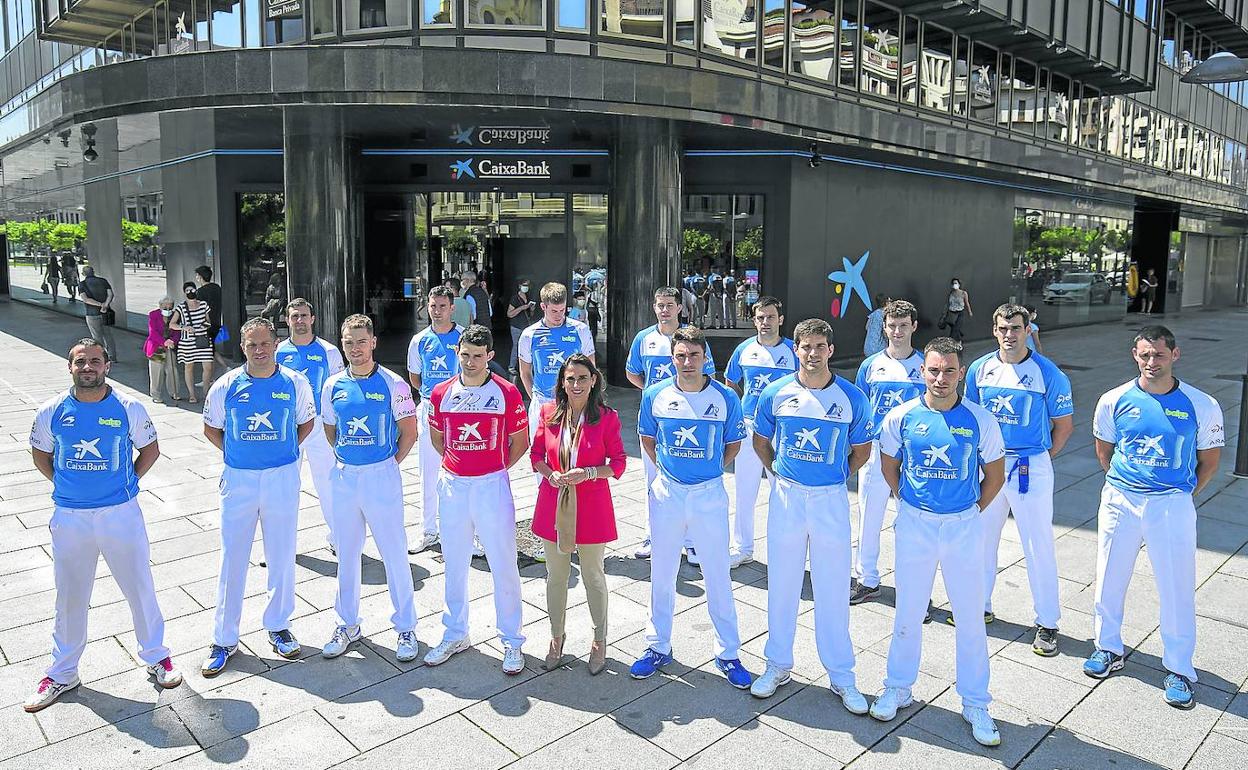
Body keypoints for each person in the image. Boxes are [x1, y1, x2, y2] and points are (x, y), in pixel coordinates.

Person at [24, 339, 183, 712]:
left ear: (107, 366)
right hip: (70, 517)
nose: (88, 367)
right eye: (80, 361)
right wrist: (68, 487)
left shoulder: (129, 407)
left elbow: (150, 450)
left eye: (95, 361)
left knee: (139, 587)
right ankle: (63, 672)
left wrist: (125, 485)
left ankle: (157, 656)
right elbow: (40, 454)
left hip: (120, 514)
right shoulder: (51, 411)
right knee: (70, 596)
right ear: (70, 367)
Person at [871, 337, 1006, 748]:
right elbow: (890, 466)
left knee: (969, 616)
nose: (940, 378)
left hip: (963, 526)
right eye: (933, 370)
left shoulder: (981, 420)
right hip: (916, 525)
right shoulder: (901, 417)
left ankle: (976, 702)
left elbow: (995, 476)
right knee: (908, 611)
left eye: (949, 370)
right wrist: (910, 503)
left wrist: (969, 511)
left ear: (961, 372)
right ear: (922, 372)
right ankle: (898, 687)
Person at [1085, 326, 1223, 709]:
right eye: (1144, 355)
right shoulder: (1113, 400)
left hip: (1171, 504)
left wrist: (1180, 495)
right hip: (1121, 499)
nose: (1151, 362)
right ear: (1135, 355)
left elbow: (1209, 462)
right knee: (1109, 576)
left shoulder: (1202, 404)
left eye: (1159, 355)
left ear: (1175, 355)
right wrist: (1129, 488)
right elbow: (1105, 452)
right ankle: (1107, 648)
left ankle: (1179, 668)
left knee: (1177, 586)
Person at [749, 319, 873, 712]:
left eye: (820, 346)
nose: (813, 353)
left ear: (830, 350)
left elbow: (862, 452)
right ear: (796, 350)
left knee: (833, 586)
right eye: (806, 346)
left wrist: (830, 476)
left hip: (830, 499)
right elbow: (761, 442)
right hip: (787, 497)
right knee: (782, 582)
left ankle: (841, 674)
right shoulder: (776, 393)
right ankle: (777, 665)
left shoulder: (852, 397)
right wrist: (781, 472)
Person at [630, 326, 754, 690]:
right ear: (672, 358)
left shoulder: (725, 397)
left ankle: (728, 653)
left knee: (717, 574)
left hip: (709, 495)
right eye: (681, 356)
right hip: (668, 494)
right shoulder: (654, 394)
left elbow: (733, 445)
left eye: (694, 356)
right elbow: (648, 439)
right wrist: (671, 472)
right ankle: (658, 646)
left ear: (705, 358)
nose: (687, 362)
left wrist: (708, 470)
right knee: (662, 573)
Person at [200, 317, 316, 677]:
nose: (259, 350)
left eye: (265, 343)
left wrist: (281, 453)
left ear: (276, 344)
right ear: (243, 347)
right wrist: (241, 454)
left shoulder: (295, 383)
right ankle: (224, 639)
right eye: (252, 345)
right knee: (232, 557)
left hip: (282, 477)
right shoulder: (225, 385)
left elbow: (306, 423)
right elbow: (211, 428)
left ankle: (279, 625)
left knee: (281, 553)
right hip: (239, 480)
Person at [964, 304, 1074, 655]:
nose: (1009, 335)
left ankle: (1048, 622)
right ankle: (979, 607)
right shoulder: (980, 369)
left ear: (1028, 330)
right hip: (989, 466)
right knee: (981, 539)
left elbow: (1064, 426)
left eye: (1015, 328)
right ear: (994, 330)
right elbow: (971, 418)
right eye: (1003, 328)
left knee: (1037, 544)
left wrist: (1038, 458)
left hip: (1030, 466)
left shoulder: (1048, 373)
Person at [422, 324, 529, 675]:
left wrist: (490, 469)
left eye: (478, 356)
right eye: (465, 354)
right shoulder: (440, 392)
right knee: (454, 562)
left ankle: (511, 639)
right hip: (453, 485)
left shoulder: (507, 392)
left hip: (491, 485)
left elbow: (520, 442)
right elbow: (438, 439)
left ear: (490, 356)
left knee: (503, 562)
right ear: (457, 352)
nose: (470, 362)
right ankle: (456, 633)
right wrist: (461, 466)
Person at [319, 314, 420, 663]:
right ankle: (347, 624)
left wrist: (388, 465)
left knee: (394, 553)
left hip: (381, 476)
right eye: (349, 342)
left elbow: (410, 432)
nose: (355, 348)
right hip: (345, 477)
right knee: (347, 555)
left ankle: (405, 627)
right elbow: (331, 430)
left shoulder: (394, 384)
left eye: (361, 341)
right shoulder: (332, 385)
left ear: (373, 342)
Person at [530, 354, 626, 675]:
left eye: (582, 378)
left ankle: (599, 639)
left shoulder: (607, 418)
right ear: (562, 382)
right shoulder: (548, 413)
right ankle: (557, 636)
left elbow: (618, 463)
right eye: (570, 378)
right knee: (556, 576)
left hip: (592, 506)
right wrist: (549, 474)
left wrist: (589, 473)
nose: (576, 384)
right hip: (554, 502)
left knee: (592, 575)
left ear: (593, 380)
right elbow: (536, 455)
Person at [625, 287, 716, 560]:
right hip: (655, 419)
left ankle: (691, 540)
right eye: (660, 305)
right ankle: (653, 535)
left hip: (689, 418)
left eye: (669, 305)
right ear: (654, 307)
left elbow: (709, 375)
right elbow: (632, 373)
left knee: (688, 480)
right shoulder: (644, 338)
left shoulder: (693, 337)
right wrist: (653, 394)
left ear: (679, 308)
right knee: (653, 479)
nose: (664, 310)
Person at [851, 300, 925, 605]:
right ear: (884, 327)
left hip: (912, 453)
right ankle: (867, 579)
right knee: (869, 515)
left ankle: (913, 589)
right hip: (876, 450)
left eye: (903, 325)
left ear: (913, 326)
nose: (897, 331)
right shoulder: (870, 366)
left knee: (911, 520)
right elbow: (860, 407)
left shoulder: (925, 365)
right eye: (892, 325)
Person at [723, 296, 796, 567]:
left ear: (781, 319)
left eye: (771, 317)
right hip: (750, 428)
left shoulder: (793, 351)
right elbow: (731, 384)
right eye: (761, 318)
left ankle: (784, 550)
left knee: (783, 491)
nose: (766, 322)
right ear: (754, 320)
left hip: (782, 430)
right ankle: (742, 547)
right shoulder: (743, 350)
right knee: (745, 489)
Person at [406, 286, 479, 556]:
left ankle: (469, 533)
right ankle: (428, 530)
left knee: (466, 472)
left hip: (461, 410)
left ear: (452, 308)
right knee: (428, 473)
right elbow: (415, 378)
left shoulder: (463, 337)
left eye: (442, 306)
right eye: (433, 306)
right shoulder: (419, 340)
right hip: (430, 410)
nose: (437, 311)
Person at [275, 299, 346, 554]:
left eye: (304, 315)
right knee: (284, 486)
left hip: (318, 425)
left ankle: (340, 539)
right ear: (287, 320)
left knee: (328, 484)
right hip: (288, 427)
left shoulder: (329, 351)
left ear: (313, 319)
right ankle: (281, 545)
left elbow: (338, 389)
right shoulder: (277, 352)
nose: (300, 320)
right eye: (294, 316)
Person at [518, 282, 596, 440]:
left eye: (562, 310)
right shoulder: (529, 335)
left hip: (573, 401)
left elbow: (591, 368)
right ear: (543, 307)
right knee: (539, 451)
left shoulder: (580, 330)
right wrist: (536, 398)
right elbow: (525, 372)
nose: (559, 315)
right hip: (542, 402)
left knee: (573, 451)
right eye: (554, 311)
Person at [170, 282, 214, 403]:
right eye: (188, 291)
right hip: (187, 342)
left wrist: (204, 326)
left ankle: (206, 393)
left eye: (192, 290)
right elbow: (172, 324)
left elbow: (208, 321)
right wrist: (184, 327)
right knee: (189, 367)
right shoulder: (181, 307)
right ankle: (192, 394)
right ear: (184, 293)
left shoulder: (203, 305)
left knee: (208, 367)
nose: (190, 292)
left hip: (203, 339)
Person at [145, 297, 182, 403]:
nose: (168, 309)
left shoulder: (175, 315)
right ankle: (156, 395)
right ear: (160, 306)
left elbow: (177, 331)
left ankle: (174, 392)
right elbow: (153, 332)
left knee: (172, 370)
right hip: (157, 346)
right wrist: (164, 342)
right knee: (157, 372)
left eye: (170, 307)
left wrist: (172, 341)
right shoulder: (153, 315)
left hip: (170, 346)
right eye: (165, 307)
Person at [78, 267, 118, 362]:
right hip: (106, 313)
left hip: (92, 314)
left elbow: (86, 299)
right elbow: (110, 294)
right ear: (93, 272)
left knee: (97, 337)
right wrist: (105, 305)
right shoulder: (103, 281)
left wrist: (100, 305)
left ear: (83, 274)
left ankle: (101, 357)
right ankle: (112, 356)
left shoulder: (82, 284)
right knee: (108, 335)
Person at [194, 265, 227, 373]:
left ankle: (225, 368)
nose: (196, 278)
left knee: (208, 351)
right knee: (211, 349)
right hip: (216, 322)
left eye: (197, 275)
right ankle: (212, 376)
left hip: (205, 325)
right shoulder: (217, 288)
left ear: (200, 277)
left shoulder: (200, 292)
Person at [507, 279, 537, 374]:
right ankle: (511, 366)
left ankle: (527, 367)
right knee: (516, 346)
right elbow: (509, 314)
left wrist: (531, 309)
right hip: (516, 326)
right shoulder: (515, 298)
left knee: (528, 346)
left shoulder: (528, 297)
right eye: (524, 285)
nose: (526, 287)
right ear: (520, 286)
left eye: (527, 285)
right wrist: (522, 308)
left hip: (526, 326)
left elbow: (530, 315)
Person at [943, 277, 973, 343]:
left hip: (960, 313)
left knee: (955, 329)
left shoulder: (963, 293)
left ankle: (951, 342)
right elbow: (947, 304)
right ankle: (959, 340)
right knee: (955, 329)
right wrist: (944, 313)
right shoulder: (951, 293)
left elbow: (967, 303)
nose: (954, 285)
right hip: (951, 313)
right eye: (953, 283)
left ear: (959, 284)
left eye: (956, 283)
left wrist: (969, 312)